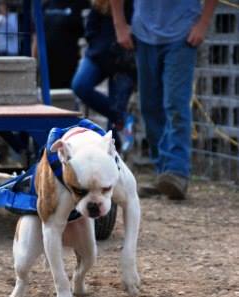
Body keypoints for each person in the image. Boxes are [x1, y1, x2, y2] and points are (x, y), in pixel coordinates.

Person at [110, 0, 218, 199]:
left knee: (175, 104)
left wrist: (203, 23)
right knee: (149, 106)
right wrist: (120, 25)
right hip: (144, 33)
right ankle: (163, 172)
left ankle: (177, 172)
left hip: (182, 33)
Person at [71, 0, 137, 151]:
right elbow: (90, 27)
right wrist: (97, 44)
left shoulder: (137, 5)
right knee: (80, 85)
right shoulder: (101, 3)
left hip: (125, 63)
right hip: (98, 56)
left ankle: (116, 157)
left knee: (113, 125)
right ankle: (122, 117)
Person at [32, 0, 89, 89]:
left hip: (69, 66)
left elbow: (87, 36)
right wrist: (34, 62)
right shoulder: (45, 5)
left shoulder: (81, 4)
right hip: (46, 66)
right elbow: (36, 35)